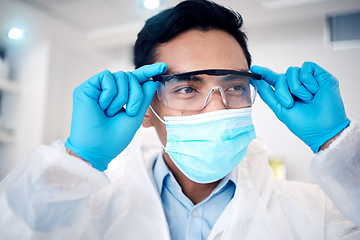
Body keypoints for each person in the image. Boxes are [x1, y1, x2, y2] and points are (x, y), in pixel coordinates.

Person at [0, 0, 359, 239]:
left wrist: (337, 143)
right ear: (144, 108)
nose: (219, 108)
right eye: (187, 88)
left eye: (234, 86)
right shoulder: (87, 213)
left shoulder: (317, 215)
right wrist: (78, 160)